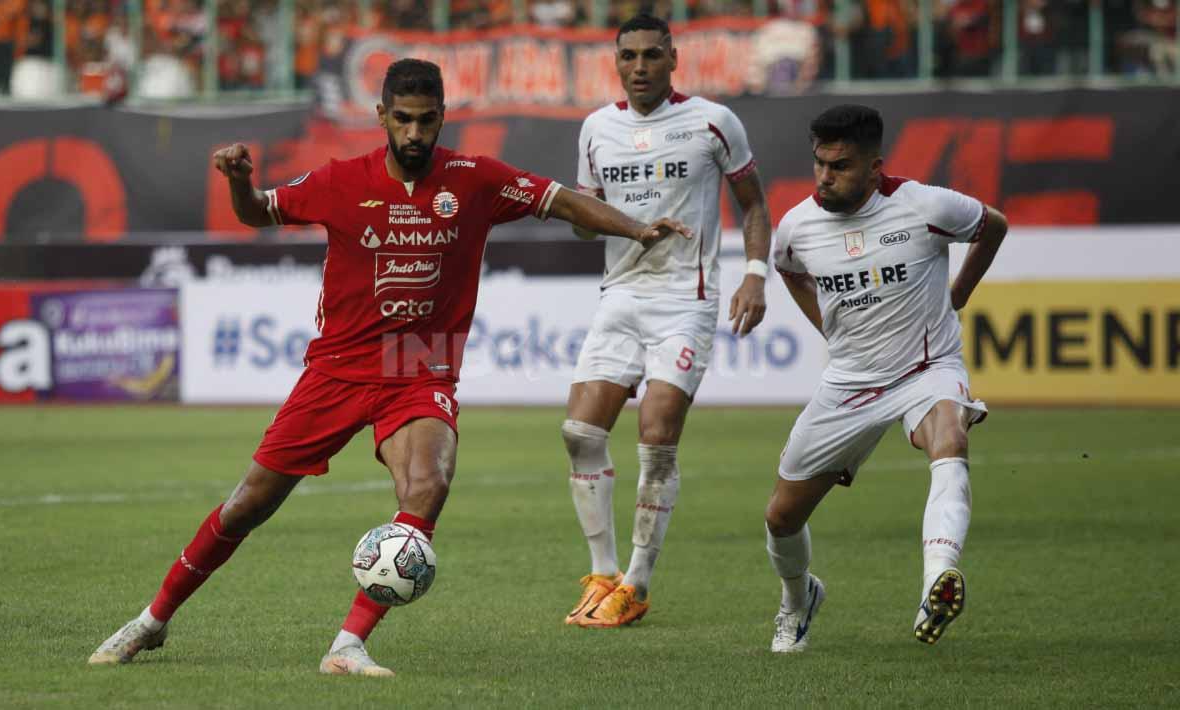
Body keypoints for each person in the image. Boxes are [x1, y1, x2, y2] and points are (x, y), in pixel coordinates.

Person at [88, 58, 690, 677]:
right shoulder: (341, 179)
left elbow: (562, 201)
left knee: (428, 484)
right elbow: (258, 212)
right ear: (381, 117)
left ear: (442, 118)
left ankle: (347, 644)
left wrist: (638, 228)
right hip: (338, 369)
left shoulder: (475, 178)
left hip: (420, 368)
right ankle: (152, 621)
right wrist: (239, 182)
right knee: (248, 504)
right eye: (402, 120)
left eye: (426, 121)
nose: (414, 134)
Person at [766, 104, 1007, 652]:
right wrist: (827, 326)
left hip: (927, 369)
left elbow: (993, 226)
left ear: (875, 166)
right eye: (819, 164)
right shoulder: (798, 225)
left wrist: (960, 294)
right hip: (849, 383)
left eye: (840, 166)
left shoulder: (924, 205)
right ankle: (797, 599)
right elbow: (788, 268)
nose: (825, 178)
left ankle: (935, 582)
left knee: (950, 439)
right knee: (781, 518)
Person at [562, 14, 772, 629]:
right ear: (617, 61)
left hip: (687, 298)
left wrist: (756, 271)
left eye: (652, 55)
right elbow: (582, 216)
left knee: (656, 437)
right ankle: (603, 573)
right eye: (628, 56)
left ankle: (639, 583)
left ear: (674, 58)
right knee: (579, 432)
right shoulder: (598, 128)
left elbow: (753, 201)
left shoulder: (713, 121)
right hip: (621, 294)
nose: (640, 67)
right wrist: (600, 217)